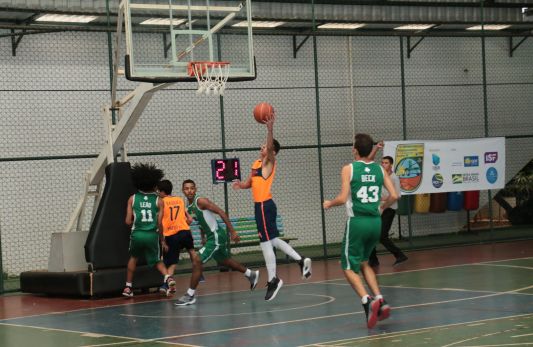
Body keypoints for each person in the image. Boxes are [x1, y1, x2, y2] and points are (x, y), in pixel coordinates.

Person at [232, 113, 312, 301]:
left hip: (264, 205)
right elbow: (249, 183)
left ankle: (274, 279)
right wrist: (239, 184)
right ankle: (300, 260)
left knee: (265, 242)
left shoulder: (270, 162)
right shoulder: (256, 164)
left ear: (272, 152)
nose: (263, 148)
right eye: (262, 146)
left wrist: (269, 129)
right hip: (261, 206)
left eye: (266, 147)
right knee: (273, 240)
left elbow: (269, 147)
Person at [323, 133, 398, 328]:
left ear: (355, 150)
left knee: (347, 267)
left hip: (357, 222)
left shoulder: (349, 169)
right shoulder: (380, 169)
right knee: (365, 262)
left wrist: (329, 203)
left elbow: (342, 197)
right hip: (375, 222)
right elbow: (394, 195)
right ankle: (380, 299)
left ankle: (367, 300)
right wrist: (381, 207)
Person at [182, 179, 260, 291]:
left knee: (197, 260)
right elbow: (201, 222)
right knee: (225, 261)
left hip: (216, 235)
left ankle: (189, 295)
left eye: (192, 188)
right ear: (183, 191)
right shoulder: (189, 208)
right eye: (186, 188)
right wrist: (203, 237)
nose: (189, 191)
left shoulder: (201, 201)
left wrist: (232, 231)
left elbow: (220, 212)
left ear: (195, 189)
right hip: (211, 237)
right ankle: (251, 274)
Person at [123, 163, 175, 298]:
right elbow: (159, 223)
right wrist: (162, 239)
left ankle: (128, 287)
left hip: (137, 234)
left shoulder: (132, 199)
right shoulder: (159, 201)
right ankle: (168, 277)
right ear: (154, 183)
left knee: (133, 258)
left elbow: (127, 221)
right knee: (157, 261)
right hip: (152, 234)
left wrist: (138, 223)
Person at [156, 180, 201, 305]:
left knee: (171, 263)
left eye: (158, 191)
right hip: (185, 232)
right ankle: (199, 273)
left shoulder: (161, 202)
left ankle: (165, 285)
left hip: (171, 235)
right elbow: (190, 219)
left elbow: (159, 222)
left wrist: (162, 238)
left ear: (162, 192)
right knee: (192, 251)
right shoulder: (180, 200)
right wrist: (182, 225)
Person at [368, 155, 408, 267]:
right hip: (379, 209)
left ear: (391, 165)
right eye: (382, 162)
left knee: (382, 236)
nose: (383, 164)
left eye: (386, 163)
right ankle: (373, 260)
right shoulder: (380, 176)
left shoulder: (394, 178)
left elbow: (397, 195)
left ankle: (400, 255)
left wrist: (385, 203)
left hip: (389, 209)